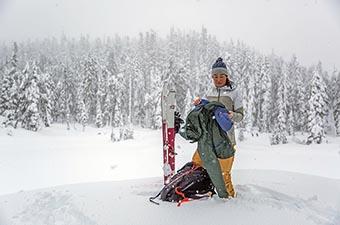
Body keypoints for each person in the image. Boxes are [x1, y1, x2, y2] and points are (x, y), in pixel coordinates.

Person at [177, 57, 244, 198]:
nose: (218, 79)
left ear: (227, 76)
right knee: (196, 166)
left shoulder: (234, 93)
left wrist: (232, 115)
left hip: (225, 141)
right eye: (215, 76)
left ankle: (230, 201)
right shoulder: (210, 92)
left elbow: (241, 115)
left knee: (224, 174)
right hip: (207, 141)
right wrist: (200, 103)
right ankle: (202, 192)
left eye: (221, 76)